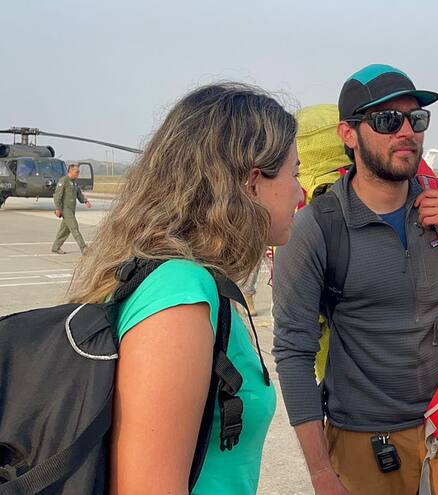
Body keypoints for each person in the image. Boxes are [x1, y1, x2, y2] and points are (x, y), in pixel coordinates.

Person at [272, 64, 438, 495]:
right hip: (362, 433)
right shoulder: (317, 227)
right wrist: (321, 472)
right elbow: (294, 350)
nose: (407, 131)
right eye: (387, 120)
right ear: (348, 134)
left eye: (417, 119)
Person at [67, 82, 303, 494]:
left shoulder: (195, 284)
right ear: (251, 184)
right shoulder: (180, 293)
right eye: (294, 174)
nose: (301, 193)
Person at [52, 163, 92, 254]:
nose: (78, 173)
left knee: (65, 230)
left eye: (78, 172)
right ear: (70, 171)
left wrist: (85, 201)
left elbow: (79, 194)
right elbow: (57, 196)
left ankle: (55, 247)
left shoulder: (74, 183)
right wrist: (58, 209)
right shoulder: (64, 181)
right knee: (74, 227)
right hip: (65, 209)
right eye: (76, 172)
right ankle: (84, 248)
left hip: (71, 209)